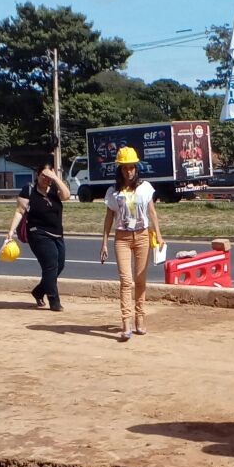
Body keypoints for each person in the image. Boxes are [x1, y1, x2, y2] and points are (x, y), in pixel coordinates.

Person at [100, 146, 162, 341]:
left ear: (136, 168)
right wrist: (104, 243)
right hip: (122, 238)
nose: (128, 171)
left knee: (140, 280)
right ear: (120, 169)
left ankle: (140, 319)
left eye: (131, 167)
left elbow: (152, 212)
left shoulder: (145, 188)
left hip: (142, 235)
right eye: (125, 168)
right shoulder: (113, 192)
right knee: (126, 281)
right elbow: (109, 217)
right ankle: (126, 322)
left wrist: (159, 235)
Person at [5, 163, 71, 312]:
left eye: (49, 177)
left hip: (57, 233)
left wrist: (55, 178)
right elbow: (20, 212)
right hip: (37, 233)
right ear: (37, 175)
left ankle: (38, 291)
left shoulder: (55, 189)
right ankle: (54, 300)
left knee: (59, 266)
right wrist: (11, 231)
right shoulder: (29, 190)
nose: (46, 179)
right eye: (44, 176)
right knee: (50, 265)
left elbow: (66, 196)